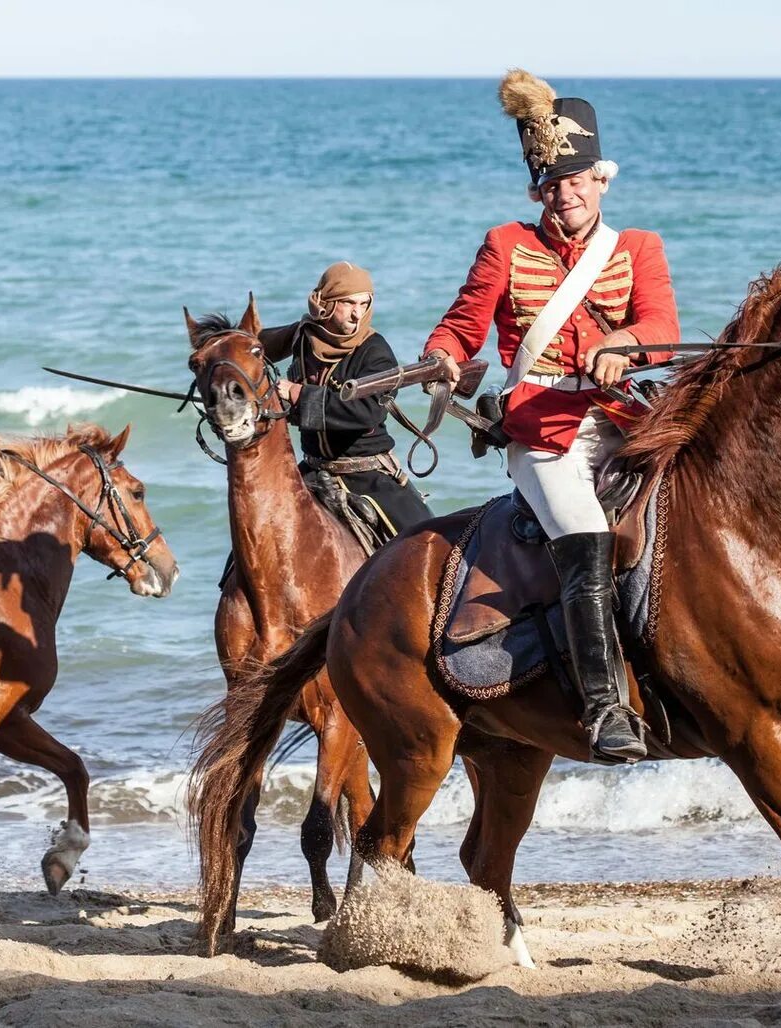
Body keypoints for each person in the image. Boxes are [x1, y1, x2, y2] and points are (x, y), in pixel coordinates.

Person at [422, 70, 680, 763]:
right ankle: (605, 710)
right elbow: (463, 324)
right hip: (542, 429)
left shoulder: (638, 247)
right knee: (587, 536)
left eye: (574, 180)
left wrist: (625, 345)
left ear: (600, 180)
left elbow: (662, 327)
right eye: (550, 183)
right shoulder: (505, 243)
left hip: (624, 419)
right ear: (537, 190)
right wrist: (444, 356)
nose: (564, 193)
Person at [261, 262, 433, 545]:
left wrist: (299, 394)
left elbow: (365, 412)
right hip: (311, 469)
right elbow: (252, 347)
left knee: (424, 542)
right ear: (326, 304)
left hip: (367, 474)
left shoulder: (376, 351)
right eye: (349, 303)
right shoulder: (304, 335)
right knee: (253, 537)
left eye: (364, 304)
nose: (357, 313)